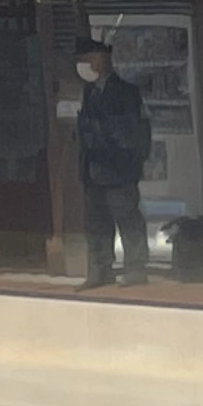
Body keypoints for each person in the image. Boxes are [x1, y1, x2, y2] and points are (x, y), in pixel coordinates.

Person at [73, 37, 153, 287]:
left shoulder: (126, 92)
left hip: (119, 169)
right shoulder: (88, 91)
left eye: (88, 59)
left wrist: (101, 131)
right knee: (96, 224)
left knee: (127, 218)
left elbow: (131, 132)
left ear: (102, 59)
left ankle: (136, 269)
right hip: (93, 169)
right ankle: (100, 270)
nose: (83, 65)